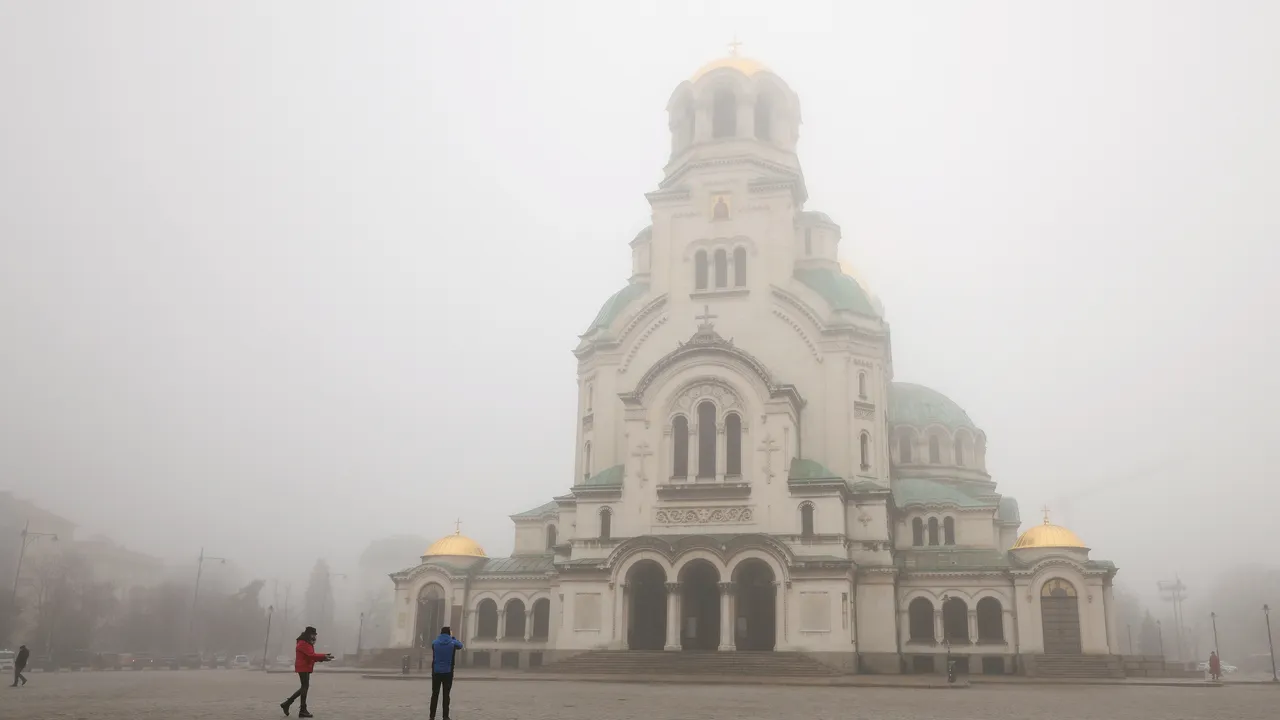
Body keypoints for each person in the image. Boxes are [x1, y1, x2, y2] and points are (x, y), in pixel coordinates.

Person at [281, 626, 333, 718]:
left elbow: (310, 657)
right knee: (305, 687)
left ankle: (289, 704)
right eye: (313, 634)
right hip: (303, 667)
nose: (314, 637)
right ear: (309, 634)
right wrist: (323, 656)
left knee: (304, 687)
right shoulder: (303, 643)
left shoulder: (307, 643)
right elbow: (311, 655)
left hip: (305, 667)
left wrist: (323, 658)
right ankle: (301, 709)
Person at [429, 626, 464, 720]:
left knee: (435, 694)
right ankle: (445, 716)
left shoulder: (435, 643)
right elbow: (460, 645)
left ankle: (432, 716)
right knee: (446, 694)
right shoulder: (452, 643)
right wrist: (452, 637)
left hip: (436, 671)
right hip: (448, 671)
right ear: (449, 633)